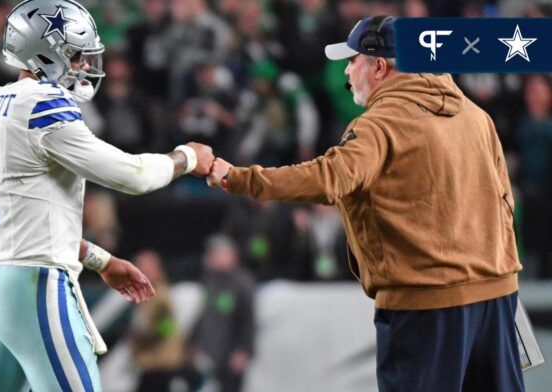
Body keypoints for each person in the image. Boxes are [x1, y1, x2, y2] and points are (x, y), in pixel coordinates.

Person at [207, 15, 524, 392]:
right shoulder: (476, 117)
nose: (346, 69)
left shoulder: (381, 123)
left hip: (426, 305)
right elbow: (506, 203)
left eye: (353, 59)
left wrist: (239, 177)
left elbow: (328, 178)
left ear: (379, 66)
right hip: (498, 296)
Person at [0, 1, 214, 391]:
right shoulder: (42, 103)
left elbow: (30, 217)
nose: (82, 66)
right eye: (75, 55)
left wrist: (101, 259)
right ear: (45, 53)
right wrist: (188, 157)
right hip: (35, 287)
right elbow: (133, 176)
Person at [192, 234, 255, 392]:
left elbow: (248, 320)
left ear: (231, 255)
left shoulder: (242, 282)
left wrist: (243, 349)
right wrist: (194, 341)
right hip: (211, 352)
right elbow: (203, 315)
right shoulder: (209, 280)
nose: (212, 258)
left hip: (231, 354)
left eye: (216, 253)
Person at [129, 250, 188, 392]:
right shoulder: (147, 294)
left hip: (161, 363)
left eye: (143, 267)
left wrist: (140, 336)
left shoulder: (160, 297)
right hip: (150, 363)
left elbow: (166, 328)